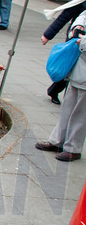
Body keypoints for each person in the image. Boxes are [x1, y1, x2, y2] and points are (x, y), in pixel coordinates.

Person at [36, 11, 86, 162]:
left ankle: (73, 148)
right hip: (80, 65)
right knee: (68, 107)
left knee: (81, 112)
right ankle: (58, 140)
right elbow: (83, 15)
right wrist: (78, 26)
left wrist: (82, 41)